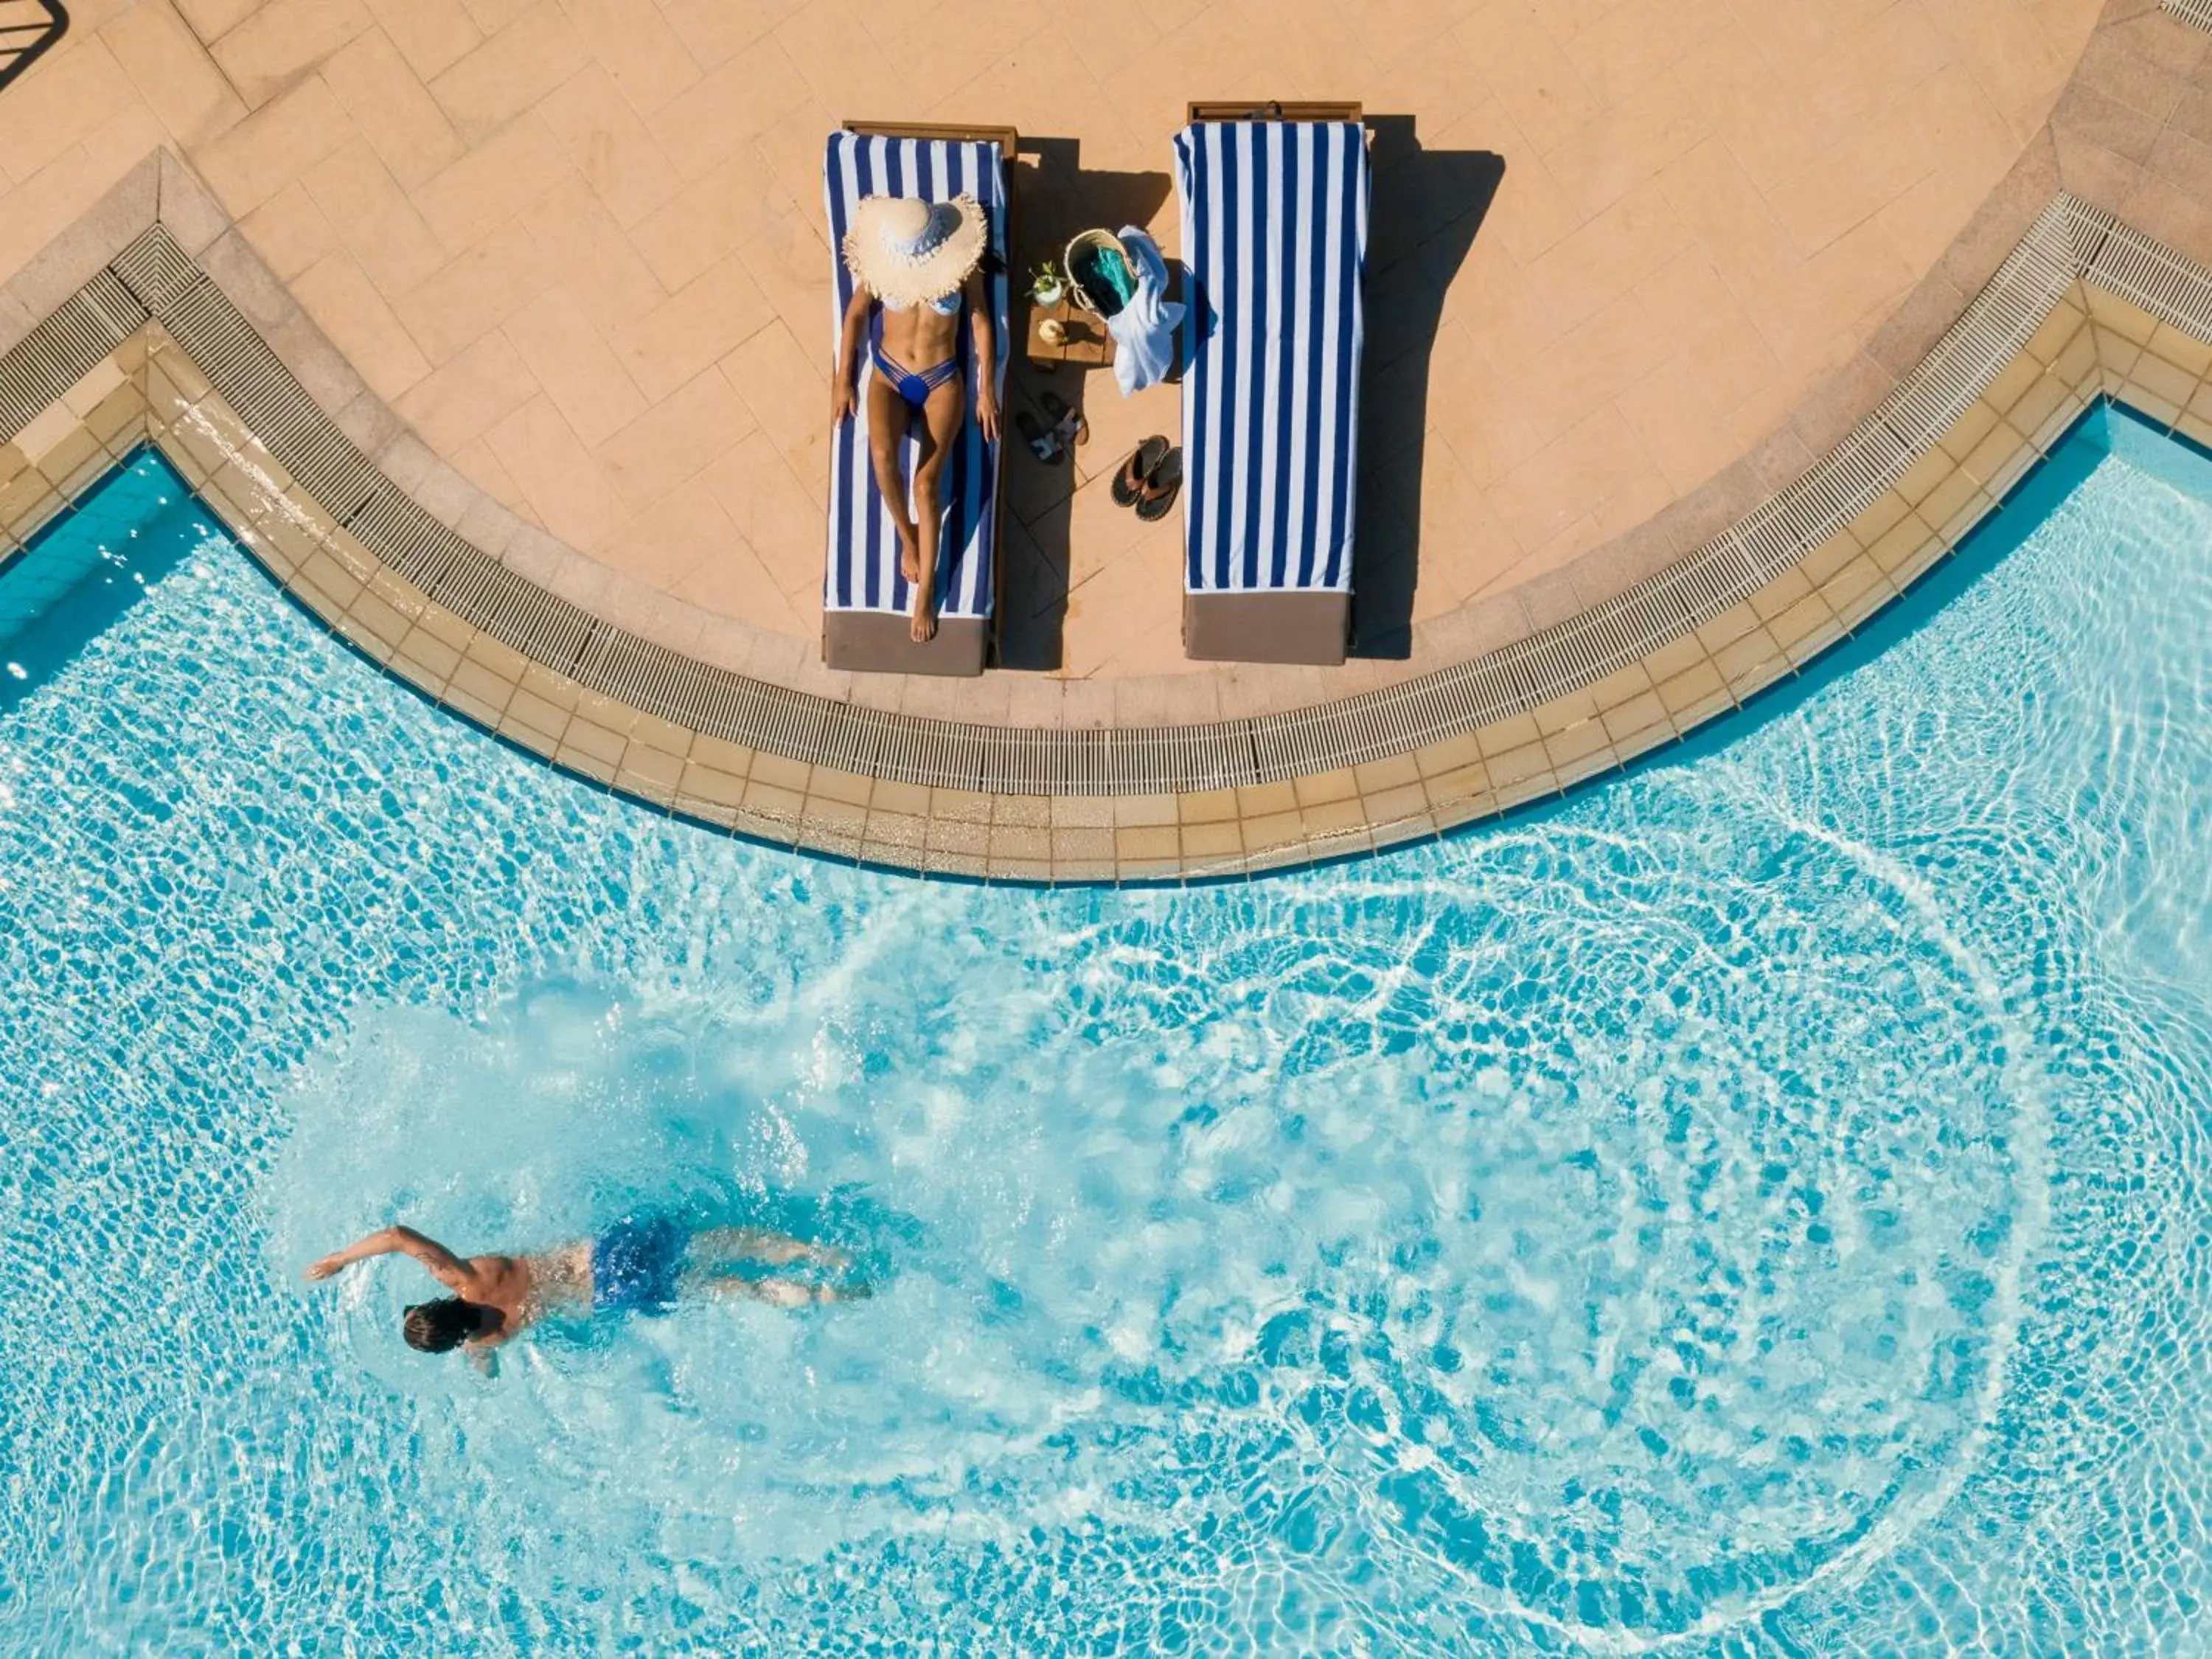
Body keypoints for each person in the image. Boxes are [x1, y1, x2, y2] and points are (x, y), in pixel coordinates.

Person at [305, 1217, 862, 1363]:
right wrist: (339, 1259)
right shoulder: (464, 1277)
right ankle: (823, 1256)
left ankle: (831, 1297)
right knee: (722, 1241)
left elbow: (482, 1368)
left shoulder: (489, 1340)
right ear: (433, 1300)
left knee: (730, 1289)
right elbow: (400, 1237)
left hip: (615, 1295)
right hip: (603, 1257)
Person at [830, 193, 1000, 645]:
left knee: (927, 483)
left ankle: (926, 591)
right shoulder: (881, 259)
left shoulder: (962, 262)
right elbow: (855, 315)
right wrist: (842, 380)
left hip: (942, 378)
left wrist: (987, 389)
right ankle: (908, 537)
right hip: (889, 374)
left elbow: (981, 319)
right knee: (882, 456)